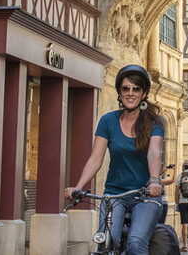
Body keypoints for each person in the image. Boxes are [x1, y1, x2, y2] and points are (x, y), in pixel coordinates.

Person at [65, 64, 165, 255]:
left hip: (145, 195)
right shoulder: (108, 121)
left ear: (144, 94)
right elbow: (96, 158)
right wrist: (78, 186)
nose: (130, 93)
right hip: (114, 195)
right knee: (106, 241)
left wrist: (154, 181)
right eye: (125, 88)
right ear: (119, 92)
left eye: (136, 89)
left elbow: (154, 153)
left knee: (135, 243)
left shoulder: (154, 122)